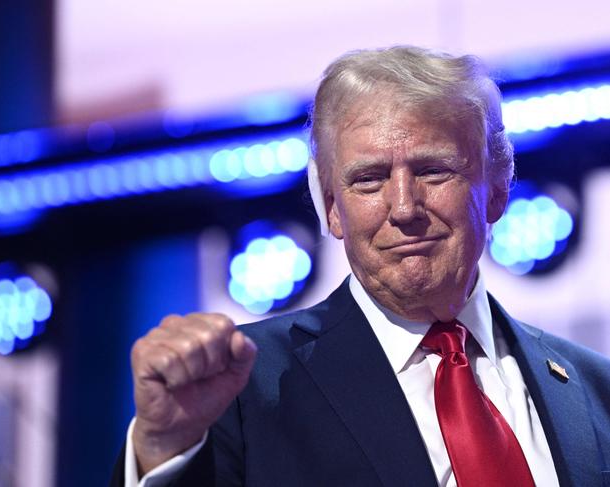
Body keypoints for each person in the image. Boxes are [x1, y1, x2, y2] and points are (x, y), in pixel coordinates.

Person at [111, 46, 610, 487]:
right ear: (331, 207)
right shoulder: (242, 387)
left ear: (498, 186)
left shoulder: (595, 390)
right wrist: (162, 449)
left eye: (433, 170)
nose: (404, 207)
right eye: (369, 180)